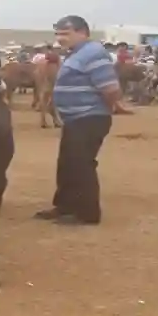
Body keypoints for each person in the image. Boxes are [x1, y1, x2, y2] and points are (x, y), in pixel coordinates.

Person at [35, 15, 120, 226]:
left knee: (81, 165)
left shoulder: (93, 53)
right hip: (75, 119)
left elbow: (110, 88)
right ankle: (65, 206)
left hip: (89, 117)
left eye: (65, 33)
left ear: (83, 32)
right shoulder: (76, 54)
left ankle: (87, 213)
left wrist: (106, 108)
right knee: (67, 164)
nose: (60, 38)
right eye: (57, 34)